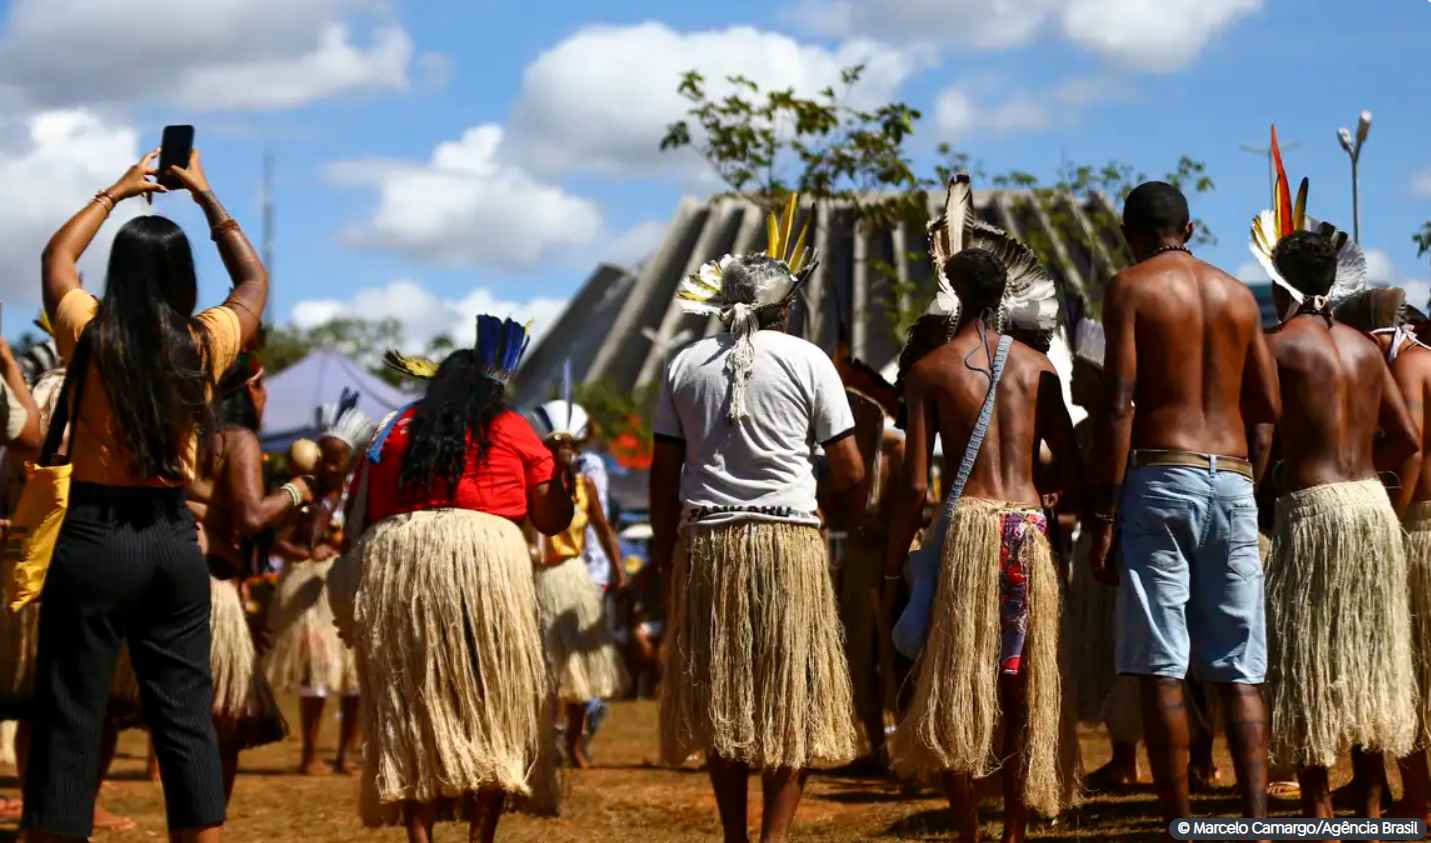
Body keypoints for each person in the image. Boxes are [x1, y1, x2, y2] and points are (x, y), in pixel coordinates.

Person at [23, 147, 266, 842]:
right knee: (184, 713)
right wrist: (208, 198)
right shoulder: (206, 340)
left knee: (72, 708)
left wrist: (116, 192)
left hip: (95, 533)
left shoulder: (87, 333)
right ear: (183, 277)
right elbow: (251, 279)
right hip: (170, 537)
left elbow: (54, 258)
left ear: (119, 274)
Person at [652, 195, 866, 843]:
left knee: (722, 690)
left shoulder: (684, 363)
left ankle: (733, 836)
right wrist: (838, 517)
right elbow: (851, 468)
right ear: (786, 307)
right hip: (789, 538)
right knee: (789, 695)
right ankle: (772, 838)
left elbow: (664, 475)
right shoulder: (809, 362)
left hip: (708, 541)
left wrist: (667, 556)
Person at [884, 175, 1079, 843]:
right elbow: (1070, 462)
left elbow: (913, 484)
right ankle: (1016, 828)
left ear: (955, 294)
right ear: (1008, 295)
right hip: (1025, 526)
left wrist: (892, 565)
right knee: (1020, 682)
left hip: (966, 526)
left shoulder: (929, 369)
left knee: (957, 677)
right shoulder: (1036, 367)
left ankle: (968, 827)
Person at [326, 318, 574, 843]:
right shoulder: (509, 427)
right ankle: (479, 837)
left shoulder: (395, 428)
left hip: (402, 561)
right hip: (488, 563)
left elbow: (360, 515)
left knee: (412, 701)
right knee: (494, 703)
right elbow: (551, 520)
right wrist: (564, 475)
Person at [1085, 179, 1281, 834]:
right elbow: (1266, 410)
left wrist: (1104, 513)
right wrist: (1243, 482)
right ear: (1190, 229)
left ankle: (1181, 822)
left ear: (1126, 233)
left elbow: (1118, 403)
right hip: (1230, 476)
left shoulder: (1130, 287)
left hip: (1159, 473)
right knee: (1238, 665)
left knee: (1159, 660)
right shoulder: (1234, 295)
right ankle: (1252, 819)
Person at [1258, 227, 1420, 818]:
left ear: (1280, 285)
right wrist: (1362, 478)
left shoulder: (1276, 346)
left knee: (1309, 657)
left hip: (1313, 509)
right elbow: (1405, 439)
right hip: (1371, 507)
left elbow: (1259, 439)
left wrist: (1273, 478)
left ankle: (1320, 810)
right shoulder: (1365, 348)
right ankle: (1374, 799)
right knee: (1368, 652)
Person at [188, 353, 312, 801]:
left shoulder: (180, 434)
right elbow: (252, 515)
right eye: (261, 386)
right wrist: (300, 489)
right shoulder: (236, 438)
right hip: (208, 586)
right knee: (225, 717)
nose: (266, 397)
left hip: (162, 578)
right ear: (245, 391)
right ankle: (204, 826)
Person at [265, 389, 373, 775]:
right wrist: (308, 554)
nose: (330, 463)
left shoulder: (357, 495)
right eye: (325, 454)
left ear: (349, 461)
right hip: (308, 587)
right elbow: (276, 540)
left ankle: (347, 754)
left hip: (345, 584)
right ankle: (309, 754)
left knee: (353, 674)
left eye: (337, 457)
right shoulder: (302, 492)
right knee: (317, 672)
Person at [529, 400, 628, 769]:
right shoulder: (534, 486)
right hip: (542, 579)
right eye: (556, 447)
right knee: (550, 665)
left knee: (581, 669)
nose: (564, 453)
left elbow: (604, 530)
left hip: (576, 577)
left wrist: (619, 570)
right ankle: (550, 741)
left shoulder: (585, 486)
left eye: (569, 446)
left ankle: (574, 742)